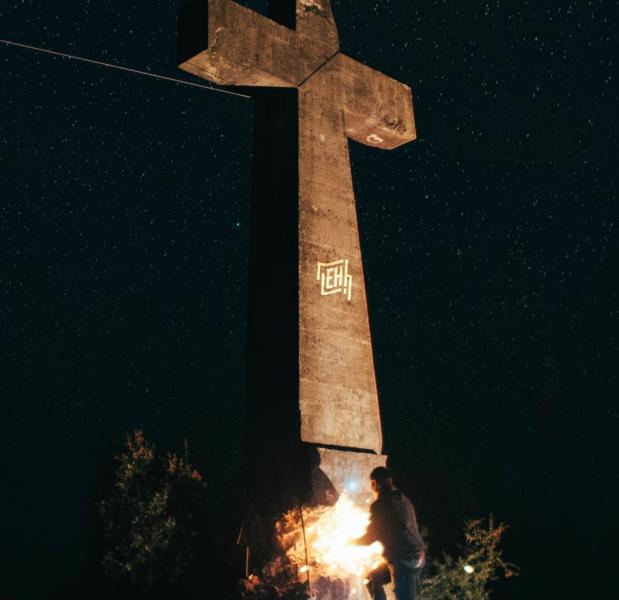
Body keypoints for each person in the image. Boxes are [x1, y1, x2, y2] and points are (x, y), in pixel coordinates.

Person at [355, 467, 426, 600]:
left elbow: (371, 536)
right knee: (374, 575)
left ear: (373, 483)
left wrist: (351, 542)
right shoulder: (403, 498)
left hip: (405, 560)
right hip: (418, 556)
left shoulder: (381, 504)